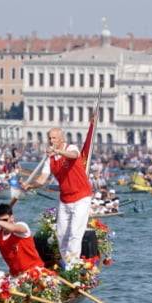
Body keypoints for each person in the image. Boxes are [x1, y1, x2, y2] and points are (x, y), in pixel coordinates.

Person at [25, 110, 96, 268]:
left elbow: (73, 156)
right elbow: (42, 179)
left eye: (54, 138)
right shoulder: (49, 159)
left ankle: (73, 265)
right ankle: (66, 263)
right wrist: (30, 185)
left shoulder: (71, 147)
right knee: (61, 234)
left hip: (82, 197)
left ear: (61, 138)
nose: (51, 141)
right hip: (65, 199)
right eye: (50, 138)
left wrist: (58, 151)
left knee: (75, 233)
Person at [0, 202, 44, 277]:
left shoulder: (22, 226)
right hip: (16, 276)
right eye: (0, 220)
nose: (2, 223)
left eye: (5, 220)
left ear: (12, 218)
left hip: (35, 271)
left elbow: (13, 228)